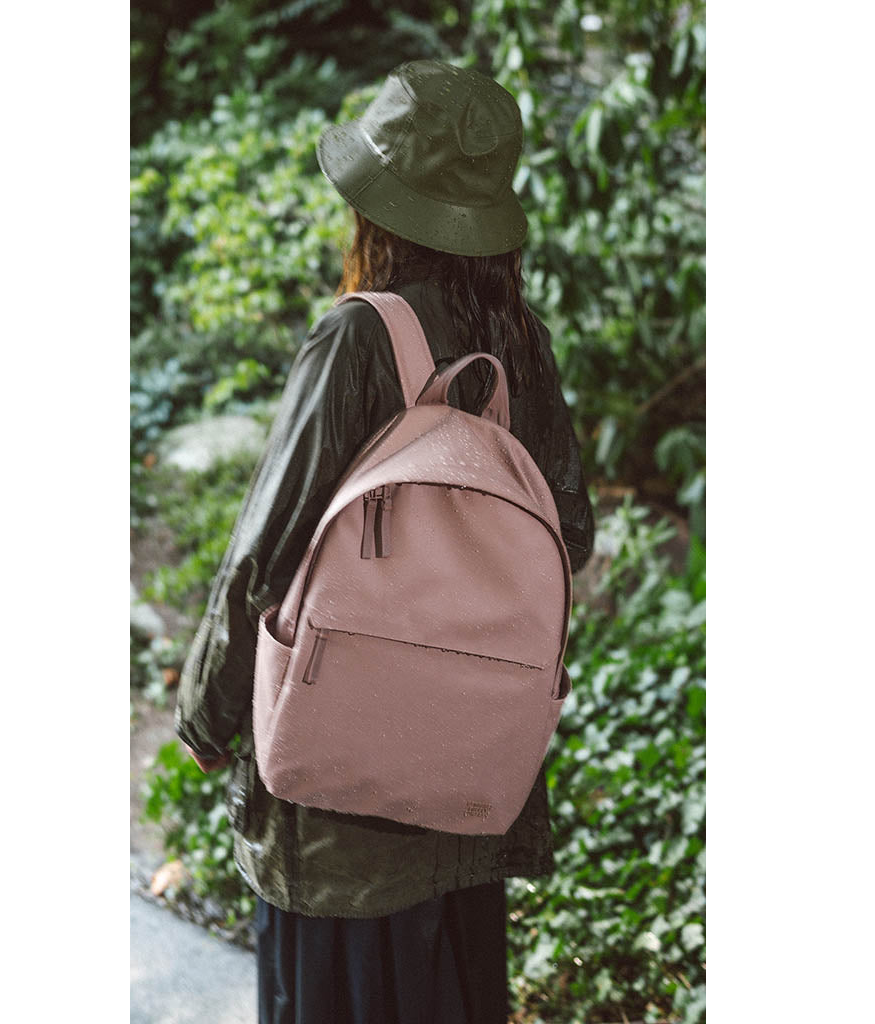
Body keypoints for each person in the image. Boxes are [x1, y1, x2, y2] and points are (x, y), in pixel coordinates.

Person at [175, 58, 593, 1024]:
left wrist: (206, 717)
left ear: (380, 209)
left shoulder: (357, 339)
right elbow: (567, 531)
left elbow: (266, 552)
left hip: (341, 785)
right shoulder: (520, 344)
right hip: (469, 770)